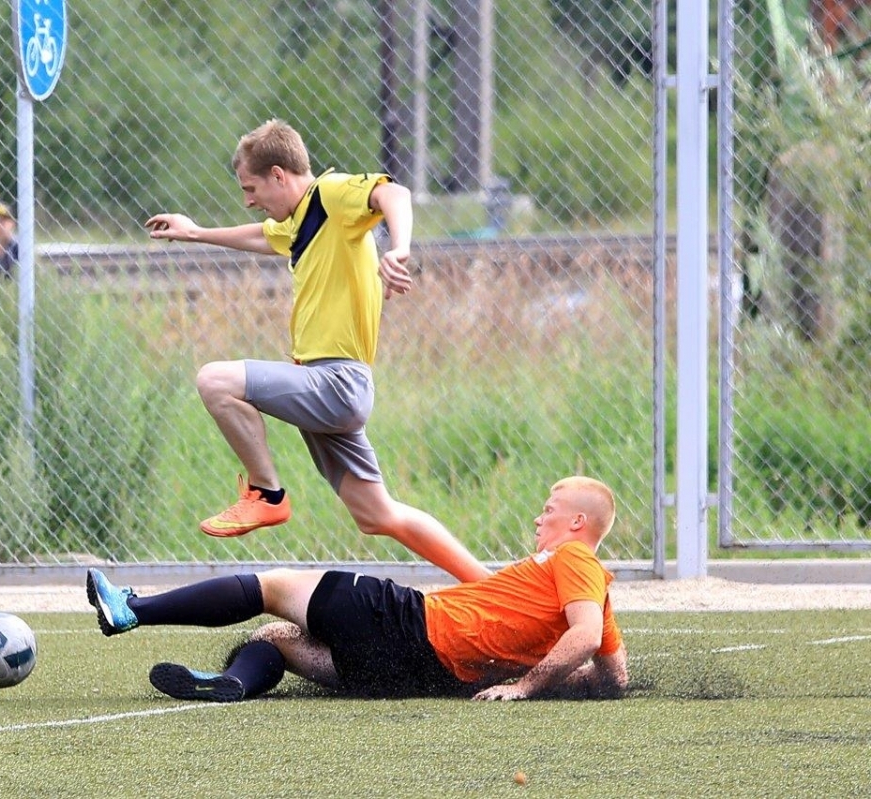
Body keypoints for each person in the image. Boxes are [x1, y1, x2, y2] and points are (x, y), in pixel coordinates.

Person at [145, 119, 488, 582]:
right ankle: (494, 589)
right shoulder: (303, 219)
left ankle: (267, 494)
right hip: (326, 384)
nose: (249, 200)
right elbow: (264, 236)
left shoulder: (331, 194)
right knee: (378, 515)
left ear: (279, 175)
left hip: (336, 384)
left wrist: (399, 249)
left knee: (215, 380)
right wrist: (195, 232)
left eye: (251, 188)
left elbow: (395, 194)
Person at [86, 476, 628, 703]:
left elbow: (582, 635)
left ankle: (132, 608)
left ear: (578, 522)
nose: (539, 518)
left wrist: (526, 685)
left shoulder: (575, 559)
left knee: (276, 586)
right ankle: (232, 683)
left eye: (549, 510)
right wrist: (537, 675)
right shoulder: (591, 591)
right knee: (275, 637)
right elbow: (613, 677)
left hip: (413, 624)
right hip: (418, 675)